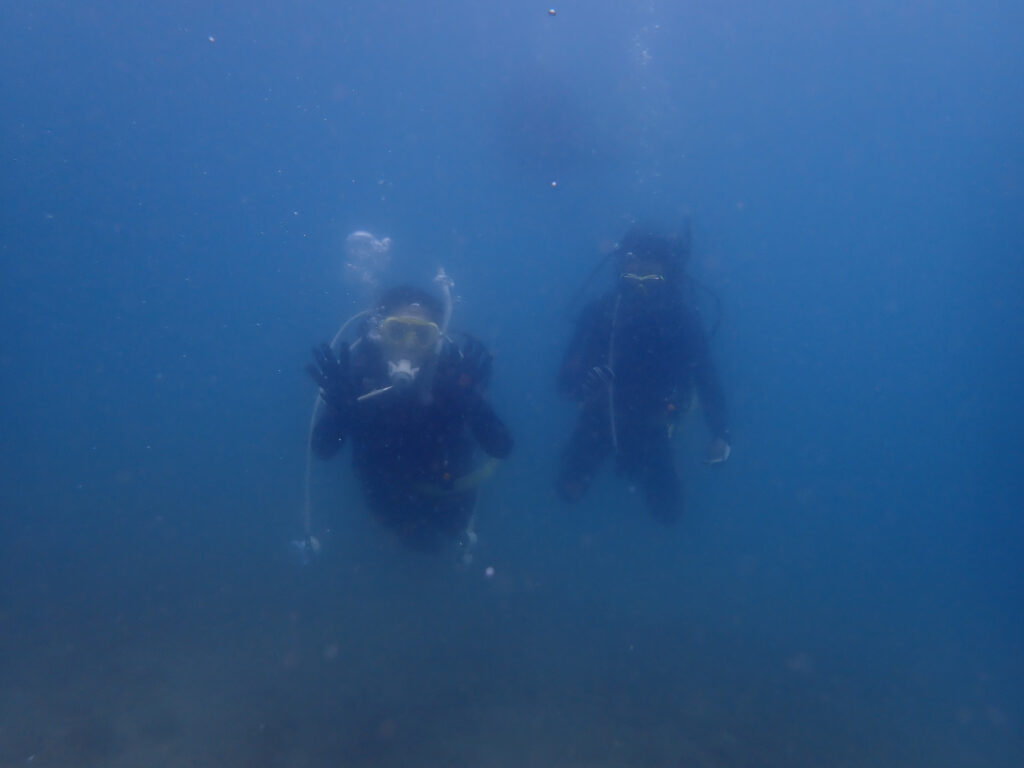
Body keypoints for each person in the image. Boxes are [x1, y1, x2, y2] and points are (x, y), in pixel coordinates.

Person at [306, 283, 512, 552]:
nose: (409, 345)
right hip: (388, 498)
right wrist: (340, 409)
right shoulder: (357, 378)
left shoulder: (452, 377)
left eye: (423, 335)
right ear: (379, 334)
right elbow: (322, 449)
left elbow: (501, 447)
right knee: (416, 545)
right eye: (397, 331)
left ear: (436, 340)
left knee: (450, 535)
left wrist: (471, 401)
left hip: (450, 493)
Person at [556, 224, 731, 523]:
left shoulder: (683, 321)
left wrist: (721, 433)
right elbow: (564, 384)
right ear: (621, 266)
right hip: (601, 418)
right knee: (566, 491)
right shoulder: (600, 312)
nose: (640, 278)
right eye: (633, 266)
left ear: (668, 271)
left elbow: (707, 379)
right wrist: (583, 385)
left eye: (650, 270)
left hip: (654, 427)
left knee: (669, 514)